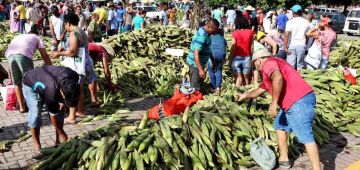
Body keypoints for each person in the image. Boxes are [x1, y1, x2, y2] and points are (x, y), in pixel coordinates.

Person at [236, 48, 320, 170]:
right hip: (292, 103)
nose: (255, 68)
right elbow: (258, 91)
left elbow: (278, 78)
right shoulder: (269, 72)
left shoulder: (269, 63)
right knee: (280, 125)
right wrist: (244, 95)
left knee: (306, 136)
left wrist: (274, 103)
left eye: (254, 64)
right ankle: (284, 159)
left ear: (259, 60)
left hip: (298, 101)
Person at [22, 65, 80, 157]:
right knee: (35, 114)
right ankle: (37, 147)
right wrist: (62, 132)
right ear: (61, 91)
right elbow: (52, 115)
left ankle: (59, 142)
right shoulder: (51, 91)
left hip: (48, 79)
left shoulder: (74, 77)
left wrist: (62, 102)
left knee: (61, 109)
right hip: (31, 82)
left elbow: (66, 99)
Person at [51, 12, 96, 124]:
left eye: (65, 24)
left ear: (68, 23)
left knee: (75, 89)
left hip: (79, 64)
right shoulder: (81, 31)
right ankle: (80, 111)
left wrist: (59, 54)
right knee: (80, 89)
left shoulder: (73, 33)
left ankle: (72, 117)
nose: (65, 27)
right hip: (86, 61)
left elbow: (73, 51)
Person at [5, 25, 52, 113]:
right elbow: (44, 55)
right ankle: (33, 105)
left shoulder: (19, 36)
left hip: (10, 57)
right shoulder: (37, 37)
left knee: (17, 83)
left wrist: (10, 73)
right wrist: (51, 68)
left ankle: (22, 107)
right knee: (30, 81)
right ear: (37, 33)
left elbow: (9, 52)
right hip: (24, 56)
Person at [187, 18, 219, 90]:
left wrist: (213, 60)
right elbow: (196, 53)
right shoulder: (202, 36)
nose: (214, 32)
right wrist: (200, 69)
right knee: (195, 87)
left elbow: (207, 49)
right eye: (213, 30)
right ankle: (194, 99)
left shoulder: (207, 34)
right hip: (195, 64)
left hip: (200, 63)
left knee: (199, 83)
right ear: (208, 27)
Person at [229, 15, 254, 87]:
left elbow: (233, 47)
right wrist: (252, 58)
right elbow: (252, 47)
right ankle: (248, 95)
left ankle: (237, 95)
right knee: (246, 79)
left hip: (236, 57)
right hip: (247, 57)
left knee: (238, 78)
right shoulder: (250, 32)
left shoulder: (235, 33)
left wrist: (230, 59)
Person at [284, 5, 310, 71]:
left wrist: (285, 47)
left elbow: (286, 35)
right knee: (300, 66)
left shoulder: (290, 22)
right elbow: (308, 35)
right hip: (301, 45)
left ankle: (290, 80)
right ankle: (299, 80)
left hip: (292, 45)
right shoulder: (306, 22)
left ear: (293, 12)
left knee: (290, 66)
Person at [208, 28, 227, 93]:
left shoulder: (211, 38)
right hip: (221, 55)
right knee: (219, 70)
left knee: (211, 70)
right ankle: (218, 88)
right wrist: (224, 59)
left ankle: (213, 87)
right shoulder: (223, 39)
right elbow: (225, 49)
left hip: (212, 55)